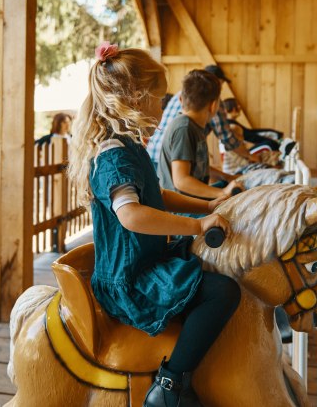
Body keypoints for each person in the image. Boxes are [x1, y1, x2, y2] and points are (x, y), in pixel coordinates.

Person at [68, 42, 241, 407]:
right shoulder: (113, 156)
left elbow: (158, 194)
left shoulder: (129, 146)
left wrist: (208, 204)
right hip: (131, 278)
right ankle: (169, 387)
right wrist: (196, 226)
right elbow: (131, 215)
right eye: (160, 99)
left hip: (146, 262)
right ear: (136, 98)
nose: (164, 107)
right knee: (223, 292)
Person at [146, 64, 259, 173]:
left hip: (152, 154)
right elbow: (226, 137)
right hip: (173, 159)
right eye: (221, 84)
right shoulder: (210, 100)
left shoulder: (180, 95)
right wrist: (249, 156)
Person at [158, 69, 244, 200]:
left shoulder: (194, 127)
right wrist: (222, 193)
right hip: (181, 208)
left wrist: (227, 177)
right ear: (214, 105)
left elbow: (198, 167)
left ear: (181, 99)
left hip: (190, 200)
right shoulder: (183, 129)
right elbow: (181, 180)